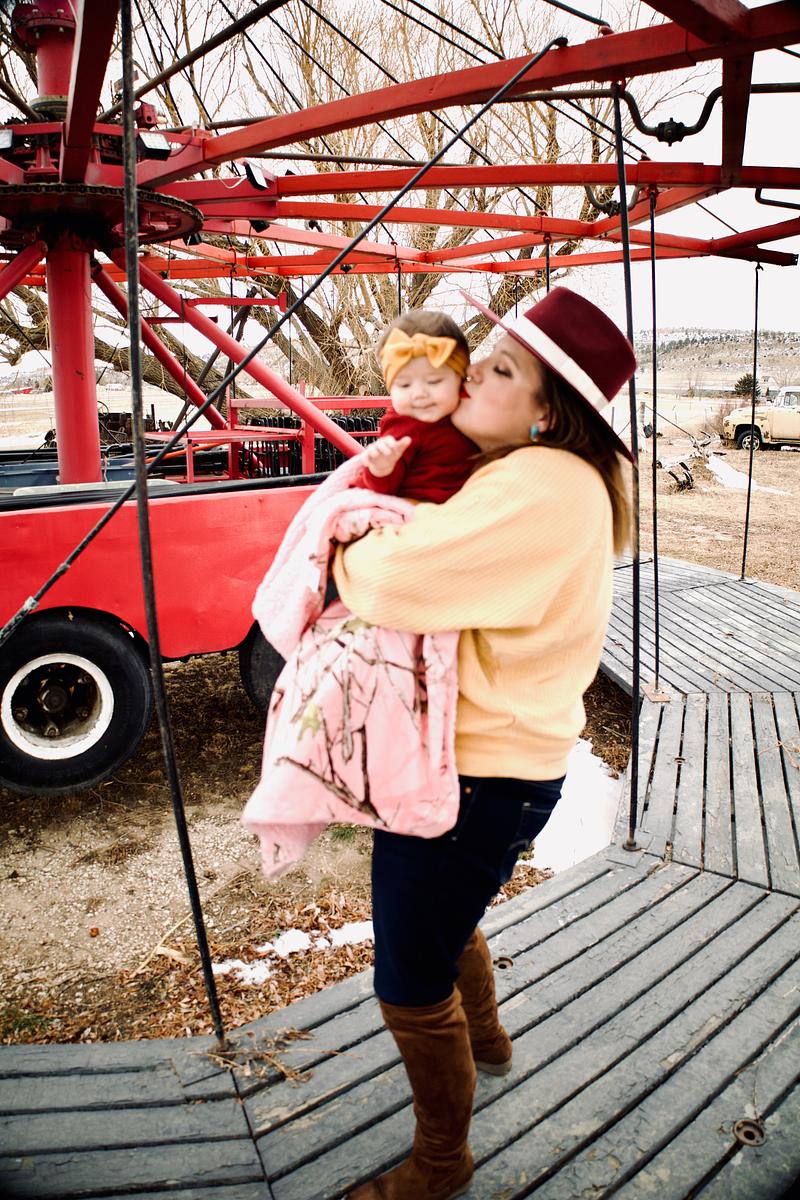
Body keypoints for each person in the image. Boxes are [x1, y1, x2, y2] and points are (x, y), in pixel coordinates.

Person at [333, 286, 636, 1200]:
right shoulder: (556, 480)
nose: (469, 378)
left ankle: (441, 1163)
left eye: (500, 369)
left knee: (408, 977)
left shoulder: (536, 483)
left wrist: (343, 541)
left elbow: (388, 583)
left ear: (547, 413)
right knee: (446, 919)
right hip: (502, 769)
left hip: (473, 774)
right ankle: (492, 1042)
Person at [353, 310, 478, 503]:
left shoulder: (475, 406)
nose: (419, 393)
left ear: (461, 379)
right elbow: (380, 489)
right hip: (416, 506)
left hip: (467, 501)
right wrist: (382, 468)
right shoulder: (404, 425)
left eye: (434, 381)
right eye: (404, 385)